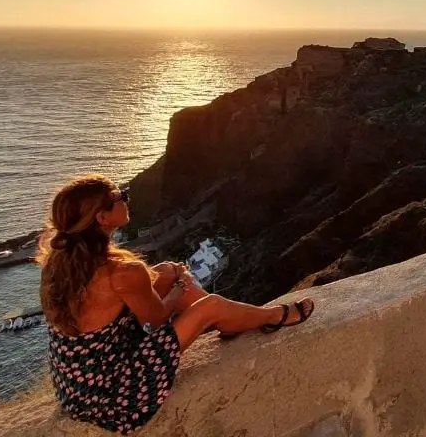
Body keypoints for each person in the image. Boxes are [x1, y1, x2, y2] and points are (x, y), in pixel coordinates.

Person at [37, 174, 314, 434]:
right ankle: (273, 316)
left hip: (75, 384)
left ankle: (229, 322)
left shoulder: (59, 262)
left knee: (167, 270)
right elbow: (155, 321)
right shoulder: (122, 273)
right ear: (102, 217)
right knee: (210, 304)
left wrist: (173, 276)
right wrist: (181, 286)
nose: (126, 197)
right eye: (121, 195)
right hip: (113, 393)